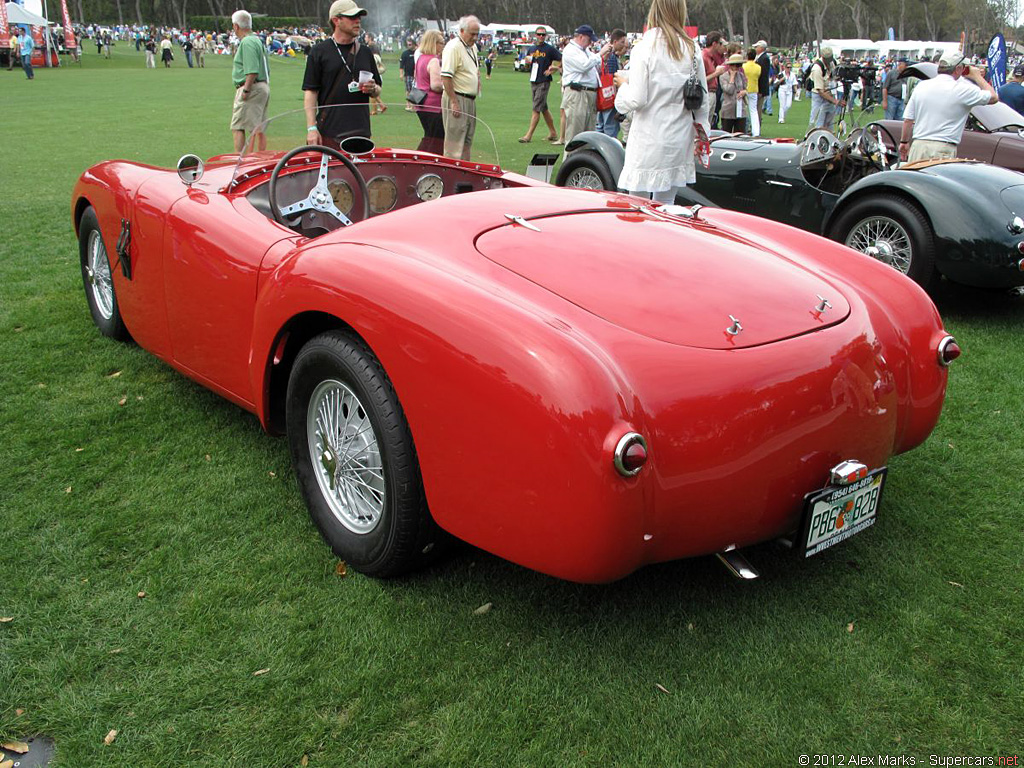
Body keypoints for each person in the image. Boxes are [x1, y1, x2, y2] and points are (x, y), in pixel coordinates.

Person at [613, 0, 710, 203]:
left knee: (637, 206)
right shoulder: (691, 48)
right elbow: (702, 98)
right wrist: (702, 134)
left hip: (649, 136)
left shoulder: (645, 48)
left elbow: (637, 98)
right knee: (666, 205)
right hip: (679, 136)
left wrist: (622, 86)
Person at [303, 0, 382, 148]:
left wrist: (373, 89)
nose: (358, 21)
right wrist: (311, 128)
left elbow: (378, 89)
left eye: (359, 17)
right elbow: (310, 92)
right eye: (352, 17)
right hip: (329, 133)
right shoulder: (319, 51)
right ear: (336, 20)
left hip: (362, 133)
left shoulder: (365, 52)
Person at [900, 50, 998, 163]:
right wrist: (977, 77)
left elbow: (908, 119)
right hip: (942, 148)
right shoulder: (962, 89)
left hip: (918, 146)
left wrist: (904, 142)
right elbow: (994, 97)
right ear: (958, 69)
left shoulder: (922, 86)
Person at [562, 25, 612, 144]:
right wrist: (600, 54)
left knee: (588, 137)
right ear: (581, 37)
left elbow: (593, 67)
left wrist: (602, 58)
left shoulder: (586, 51)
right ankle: (571, 162)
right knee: (575, 136)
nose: (590, 43)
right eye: (589, 40)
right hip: (577, 94)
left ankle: (584, 161)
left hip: (589, 94)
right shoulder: (570, 50)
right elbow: (583, 66)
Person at [440, 15, 481, 160]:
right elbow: (446, 77)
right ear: (462, 31)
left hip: (470, 99)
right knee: (454, 145)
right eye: (472, 34)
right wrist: (454, 102)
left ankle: (464, 177)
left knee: (467, 142)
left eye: (477, 34)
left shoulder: (472, 47)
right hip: (457, 98)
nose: (475, 37)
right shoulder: (453, 47)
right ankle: (452, 178)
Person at [230, 10, 271, 153]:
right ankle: (259, 157)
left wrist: (246, 90)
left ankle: (239, 161)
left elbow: (252, 70)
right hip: (262, 86)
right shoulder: (256, 40)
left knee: (238, 126)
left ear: (236, 26)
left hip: (252, 87)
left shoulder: (247, 42)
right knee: (259, 126)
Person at [517, 26, 562, 143]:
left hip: (544, 81)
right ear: (535, 35)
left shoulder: (550, 49)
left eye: (543, 34)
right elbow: (528, 65)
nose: (541, 36)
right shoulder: (531, 49)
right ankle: (553, 132)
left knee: (536, 108)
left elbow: (563, 59)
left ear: (546, 36)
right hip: (534, 80)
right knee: (543, 108)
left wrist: (554, 69)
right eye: (539, 34)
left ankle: (528, 135)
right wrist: (527, 63)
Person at [413, 30, 445, 154]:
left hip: (421, 103)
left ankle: (420, 159)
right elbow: (436, 85)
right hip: (433, 106)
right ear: (434, 43)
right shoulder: (434, 61)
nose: (443, 45)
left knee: (429, 136)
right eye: (441, 43)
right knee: (436, 140)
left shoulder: (421, 58)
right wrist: (449, 85)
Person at [595, 30, 629, 138]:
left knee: (600, 125)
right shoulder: (611, 57)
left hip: (602, 95)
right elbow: (613, 77)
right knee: (610, 127)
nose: (624, 45)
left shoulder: (606, 54)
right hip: (610, 96)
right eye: (622, 42)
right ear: (615, 41)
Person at [809, 47, 844, 131]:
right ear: (823, 57)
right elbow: (820, 91)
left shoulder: (833, 63)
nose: (829, 61)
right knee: (818, 123)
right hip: (819, 97)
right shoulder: (817, 68)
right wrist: (835, 101)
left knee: (829, 122)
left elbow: (836, 76)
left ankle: (829, 138)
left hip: (830, 93)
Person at [702, 31, 727, 129]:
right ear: (714, 44)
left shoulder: (712, 57)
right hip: (706, 93)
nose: (722, 46)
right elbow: (700, 80)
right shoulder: (704, 57)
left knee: (709, 123)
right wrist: (716, 74)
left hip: (712, 93)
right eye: (720, 43)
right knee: (704, 123)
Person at [718, 52, 747, 133]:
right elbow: (729, 90)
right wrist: (732, 78)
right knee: (726, 133)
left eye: (740, 65)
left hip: (740, 109)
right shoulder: (723, 77)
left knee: (740, 133)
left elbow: (745, 88)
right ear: (731, 65)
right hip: (728, 110)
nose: (738, 68)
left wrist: (744, 92)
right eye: (736, 65)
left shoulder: (741, 76)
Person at [741, 48, 761, 135]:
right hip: (754, 89)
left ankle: (745, 128)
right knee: (753, 111)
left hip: (745, 89)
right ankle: (756, 131)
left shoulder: (743, 66)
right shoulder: (758, 67)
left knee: (744, 110)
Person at [775, 58, 796, 123]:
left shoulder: (792, 75)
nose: (789, 69)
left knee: (788, 105)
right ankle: (781, 119)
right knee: (782, 105)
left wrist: (796, 91)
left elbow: (794, 83)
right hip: (782, 90)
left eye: (790, 67)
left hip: (789, 91)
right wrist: (782, 79)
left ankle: (782, 115)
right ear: (785, 67)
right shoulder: (781, 74)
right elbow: (776, 83)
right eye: (788, 67)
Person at [754, 40, 770, 117]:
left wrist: (761, 90)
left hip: (760, 89)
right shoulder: (761, 58)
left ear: (761, 48)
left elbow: (763, 75)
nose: (755, 49)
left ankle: (757, 126)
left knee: (758, 109)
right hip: (758, 88)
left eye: (757, 47)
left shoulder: (764, 58)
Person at [399, 37, 416, 109]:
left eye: (410, 44)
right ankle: (408, 104)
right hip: (408, 75)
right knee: (408, 90)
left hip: (416, 75)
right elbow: (401, 65)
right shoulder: (405, 53)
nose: (409, 45)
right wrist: (401, 74)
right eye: (408, 44)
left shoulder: (417, 53)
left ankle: (414, 105)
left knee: (415, 90)